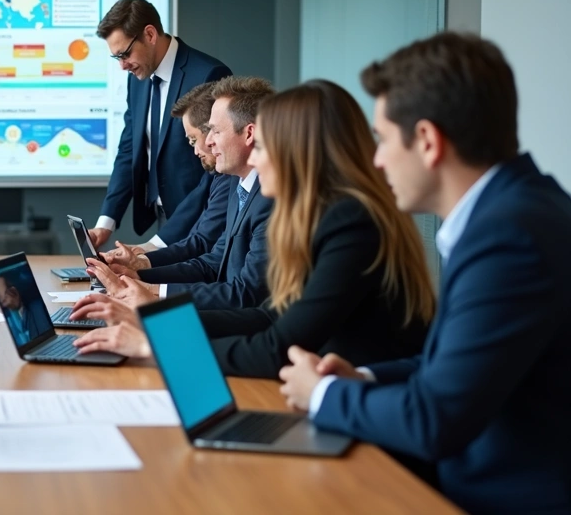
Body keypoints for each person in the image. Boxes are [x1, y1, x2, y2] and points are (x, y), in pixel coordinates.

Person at [278, 33, 571, 514]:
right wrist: (364, 378)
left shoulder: (509, 239)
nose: (376, 159)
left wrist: (323, 394)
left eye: (384, 139)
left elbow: (434, 419)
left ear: (429, 142)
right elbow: (456, 364)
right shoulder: (518, 210)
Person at [73, 81, 434, 380]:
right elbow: (271, 316)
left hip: (372, 426)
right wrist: (154, 317)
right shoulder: (326, 216)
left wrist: (155, 345)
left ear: (298, 152)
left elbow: (276, 346)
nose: (256, 161)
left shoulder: (349, 222)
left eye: (261, 147)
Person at [92, 76, 275, 311]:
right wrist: (138, 278)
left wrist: (151, 295)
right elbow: (212, 263)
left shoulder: (270, 199)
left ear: (249, 134)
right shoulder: (240, 188)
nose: (208, 142)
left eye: (215, 131)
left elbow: (245, 294)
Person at [89, 0, 232, 250]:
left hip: (200, 221)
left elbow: (216, 170)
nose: (123, 66)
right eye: (116, 58)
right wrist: (106, 222)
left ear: (150, 34)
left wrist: (154, 246)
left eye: (125, 54)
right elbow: (129, 148)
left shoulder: (209, 74)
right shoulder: (138, 78)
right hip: (160, 216)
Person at [102, 81, 234, 268]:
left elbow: (207, 258)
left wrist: (144, 272)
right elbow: (199, 244)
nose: (196, 151)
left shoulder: (235, 182)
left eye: (194, 139)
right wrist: (141, 263)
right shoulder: (222, 178)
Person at [0, 274, 51, 346]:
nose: (4, 305)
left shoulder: (38, 308)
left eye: (5, 298)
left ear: (14, 290)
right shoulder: (7, 320)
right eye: (1, 300)